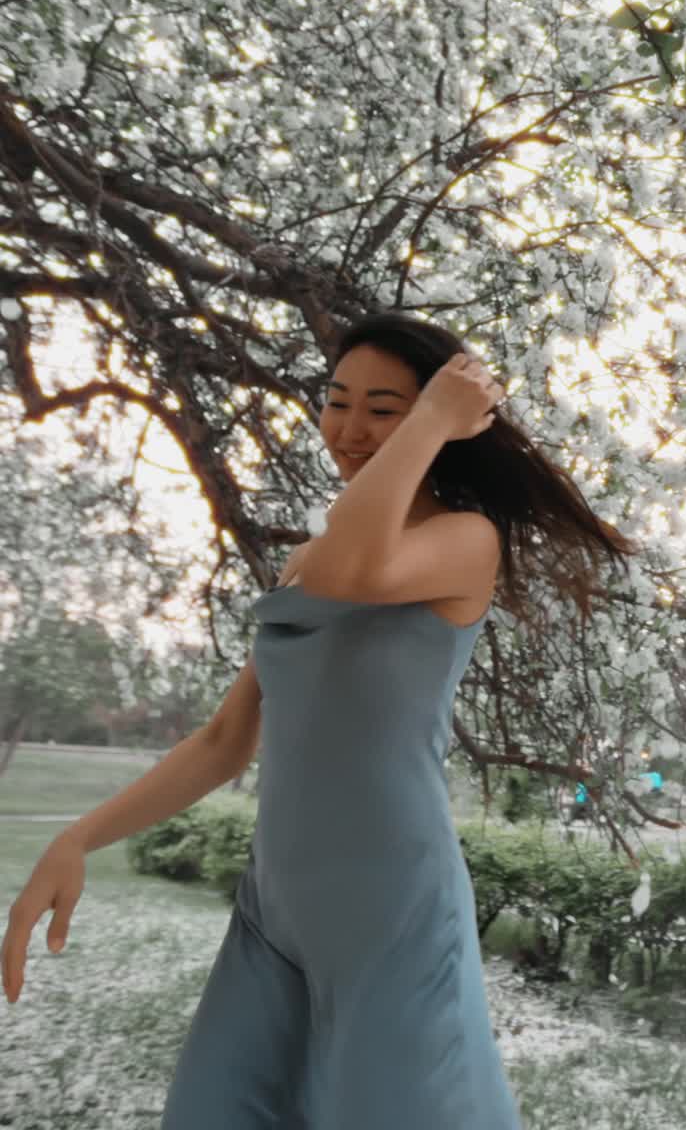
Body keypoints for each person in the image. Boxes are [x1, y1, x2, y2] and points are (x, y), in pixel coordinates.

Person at [2, 310, 637, 1128]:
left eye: (385, 408)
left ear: (439, 423)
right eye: (338, 402)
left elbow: (355, 565)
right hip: (278, 910)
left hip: (392, 910)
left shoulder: (464, 541)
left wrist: (438, 420)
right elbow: (227, 739)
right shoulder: (314, 556)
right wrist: (78, 836)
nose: (351, 429)